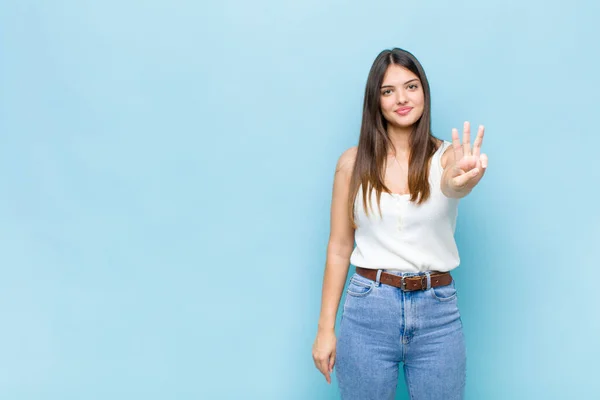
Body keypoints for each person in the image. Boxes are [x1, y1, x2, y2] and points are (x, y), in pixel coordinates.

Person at [311, 47, 488, 400]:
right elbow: (339, 247)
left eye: (411, 86)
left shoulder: (447, 156)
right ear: (375, 101)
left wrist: (461, 180)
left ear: (424, 91)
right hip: (368, 310)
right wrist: (324, 330)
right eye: (388, 91)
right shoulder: (352, 163)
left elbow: (454, 181)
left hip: (437, 312)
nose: (402, 99)